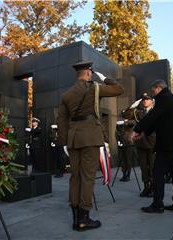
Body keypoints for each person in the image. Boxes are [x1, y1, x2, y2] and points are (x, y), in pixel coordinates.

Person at [57, 61, 124, 231]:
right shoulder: (94, 88)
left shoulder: (67, 94)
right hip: (91, 137)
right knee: (87, 177)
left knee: (75, 177)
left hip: (73, 139)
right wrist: (105, 78)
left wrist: (65, 141)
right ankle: (83, 219)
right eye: (91, 73)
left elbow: (61, 121)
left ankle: (75, 218)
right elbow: (119, 89)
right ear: (88, 73)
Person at [131, 79, 173, 213]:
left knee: (157, 172)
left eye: (153, 90)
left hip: (168, 144)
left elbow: (152, 116)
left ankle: (158, 204)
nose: (153, 93)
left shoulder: (164, 98)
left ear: (158, 88)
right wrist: (145, 133)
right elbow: (158, 121)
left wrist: (136, 130)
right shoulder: (170, 98)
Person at [134, 93, 156, 197]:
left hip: (152, 143)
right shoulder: (138, 112)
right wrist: (135, 104)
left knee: (152, 166)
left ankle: (152, 187)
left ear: (152, 101)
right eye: (143, 100)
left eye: (147, 99)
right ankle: (146, 186)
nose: (145, 101)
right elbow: (125, 114)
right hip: (141, 143)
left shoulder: (156, 112)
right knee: (143, 166)